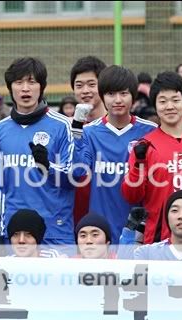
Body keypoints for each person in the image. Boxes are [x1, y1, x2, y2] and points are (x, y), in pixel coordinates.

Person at [121, 71, 182, 244]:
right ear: (155, 105)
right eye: (162, 101)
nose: (169, 106)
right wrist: (138, 164)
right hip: (159, 241)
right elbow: (131, 195)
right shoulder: (145, 146)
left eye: (175, 100)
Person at [0, 57, 75, 249]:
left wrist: (48, 166)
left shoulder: (63, 126)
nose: (25, 88)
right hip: (13, 233)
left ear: (42, 86)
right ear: (10, 88)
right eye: (19, 82)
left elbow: (74, 178)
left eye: (31, 82)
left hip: (54, 231)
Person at [73, 65, 157, 243]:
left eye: (124, 93)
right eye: (111, 94)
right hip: (100, 232)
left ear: (133, 96)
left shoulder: (150, 131)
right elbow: (78, 172)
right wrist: (76, 138)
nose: (117, 100)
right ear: (102, 96)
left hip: (138, 230)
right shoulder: (89, 132)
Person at [69, 56, 107, 225]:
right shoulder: (65, 127)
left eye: (92, 84)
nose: (85, 90)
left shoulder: (115, 126)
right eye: (79, 85)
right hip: (74, 216)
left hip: (107, 212)